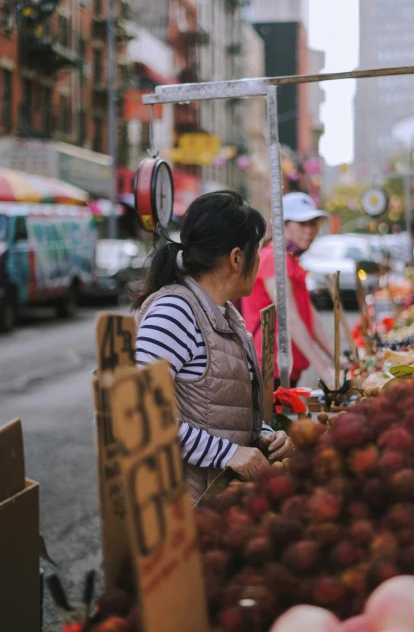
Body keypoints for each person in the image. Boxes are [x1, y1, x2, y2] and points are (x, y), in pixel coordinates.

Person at [132, 191, 294, 504]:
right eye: (256, 251)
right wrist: (228, 453)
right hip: (181, 507)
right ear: (236, 258)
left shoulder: (225, 314)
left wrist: (262, 435)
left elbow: (220, 406)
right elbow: (140, 415)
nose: (259, 262)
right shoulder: (174, 312)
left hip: (217, 500)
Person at [242, 192, 340, 388]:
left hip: (288, 366)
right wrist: (326, 373)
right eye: (302, 223)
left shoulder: (290, 260)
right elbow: (291, 319)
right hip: (270, 369)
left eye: (313, 223)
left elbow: (312, 319)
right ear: (282, 225)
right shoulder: (273, 259)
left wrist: (337, 359)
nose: (310, 230)